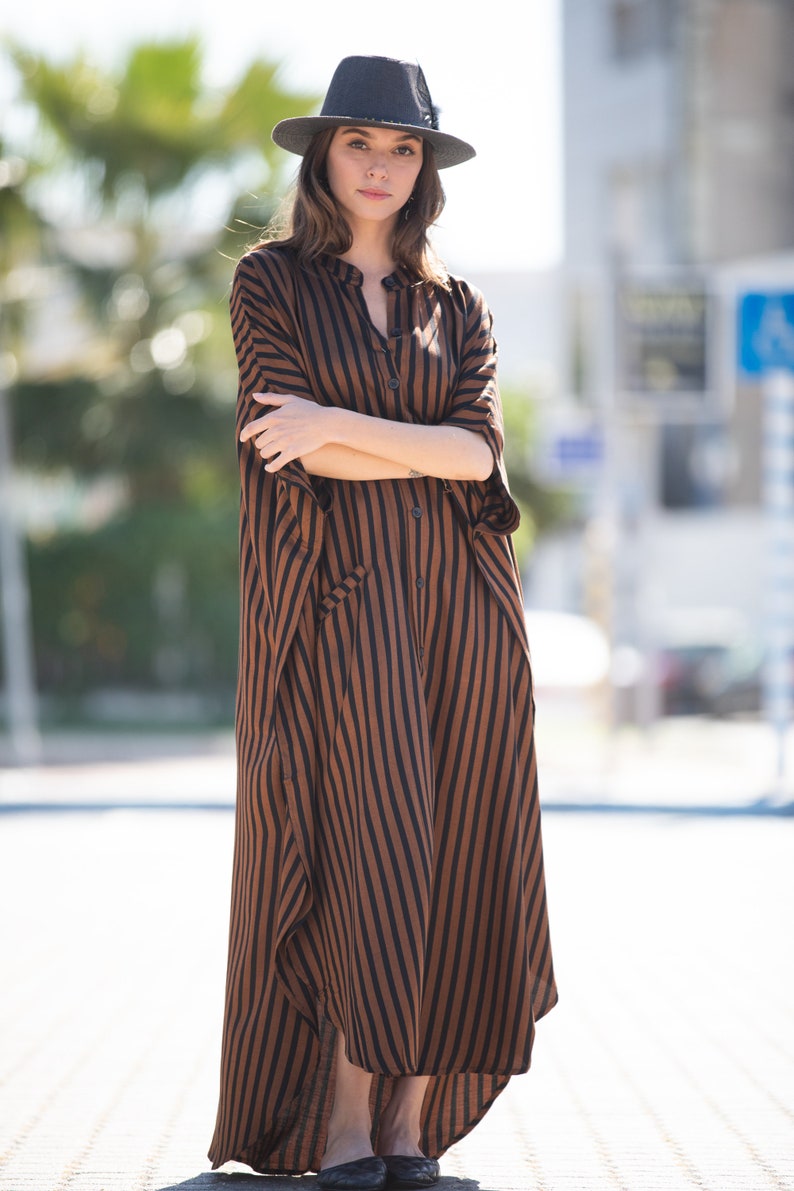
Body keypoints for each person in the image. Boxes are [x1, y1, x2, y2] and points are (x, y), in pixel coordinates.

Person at [208, 54, 558, 1191]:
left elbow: (477, 455)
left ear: (424, 169)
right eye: (360, 144)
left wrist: (340, 427)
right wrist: (378, 443)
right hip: (333, 608)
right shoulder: (269, 281)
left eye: (402, 148)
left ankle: (406, 1139)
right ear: (323, 155)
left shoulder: (456, 306)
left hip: (460, 615)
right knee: (366, 849)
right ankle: (346, 1133)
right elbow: (278, 438)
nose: (379, 166)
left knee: (453, 856)